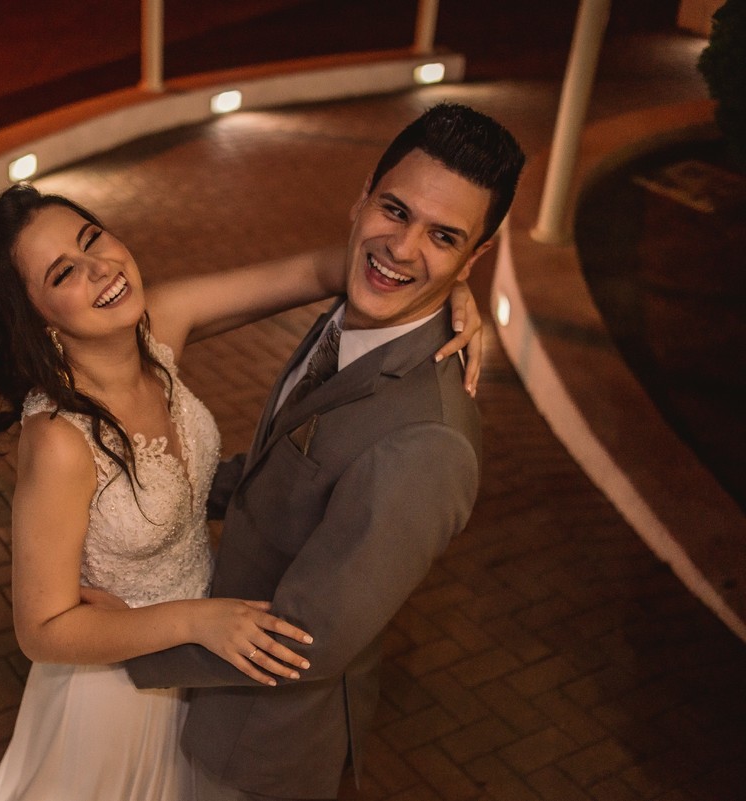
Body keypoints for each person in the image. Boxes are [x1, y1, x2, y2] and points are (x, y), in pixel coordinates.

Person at [0, 147, 484, 800]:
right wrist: (192, 620)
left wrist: (448, 292)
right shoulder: (59, 440)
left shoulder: (163, 323)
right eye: (63, 274)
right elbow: (42, 628)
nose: (100, 269)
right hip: (114, 690)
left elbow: (333, 271)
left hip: (205, 670)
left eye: (93, 240)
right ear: (33, 317)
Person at [125, 102, 526, 801]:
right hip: (209, 679)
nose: (402, 249)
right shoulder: (355, 308)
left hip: (256, 751)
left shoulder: (429, 443)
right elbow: (279, 480)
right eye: (395, 210)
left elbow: (306, 639)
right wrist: (151, 485)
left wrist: (122, 644)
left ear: (476, 256)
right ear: (363, 196)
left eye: (443, 236)